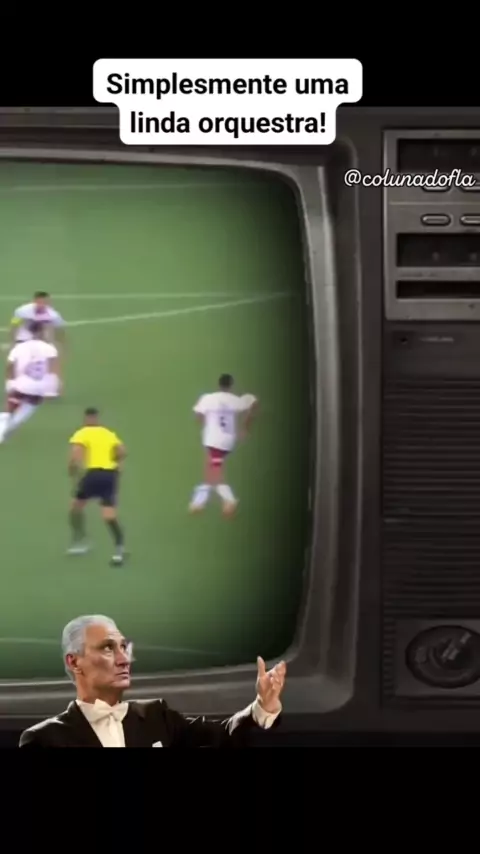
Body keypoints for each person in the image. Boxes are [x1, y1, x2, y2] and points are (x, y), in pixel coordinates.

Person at [18, 614, 286, 747]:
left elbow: (224, 733)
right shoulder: (43, 740)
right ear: (74, 662)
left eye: (124, 647)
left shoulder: (157, 715)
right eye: (108, 648)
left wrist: (261, 707)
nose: (124, 659)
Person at [189, 373, 258, 516]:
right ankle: (198, 503)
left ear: (218, 384)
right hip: (228, 441)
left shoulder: (208, 398)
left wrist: (205, 424)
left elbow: (198, 414)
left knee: (214, 473)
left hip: (213, 440)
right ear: (231, 386)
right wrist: (245, 427)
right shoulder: (235, 400)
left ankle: (228, 501)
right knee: (211, 470)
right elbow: (253, 401)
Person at [68, 408, 126, 566]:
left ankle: (80, 541)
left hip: (93, 475)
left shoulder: (82, 433)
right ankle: (119, 548)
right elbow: (121, 451)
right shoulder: (108, 433)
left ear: (86, 418)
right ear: (97, 418)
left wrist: (72, 470)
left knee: (75, 507)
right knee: (109, 515)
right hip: (110, 475)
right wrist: (117, 463)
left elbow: (76, 455)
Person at [0, 320, 60, 444]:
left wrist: (9, 383)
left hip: (20, 385)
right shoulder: (50, 348)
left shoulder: (19, 347)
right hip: (39, 388)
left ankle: (1, 431)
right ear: (42, 331)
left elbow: (10, 366)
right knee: (25, 411)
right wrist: (52, 389)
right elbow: (53, 369)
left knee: (8, 409)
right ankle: (9, 428)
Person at [9, 291, 65, 398]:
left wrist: (60, 344)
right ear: (34, 301)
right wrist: (12, 341)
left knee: (49, 362)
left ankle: (50, 388)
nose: (42, 304)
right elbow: (14, 325)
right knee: (19, 363)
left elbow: (60, 330)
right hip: (24, 339)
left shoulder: (53, 315)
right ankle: (15, 387)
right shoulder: (22, 311)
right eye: (39, 302)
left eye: (45, 302)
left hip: (43, 340)